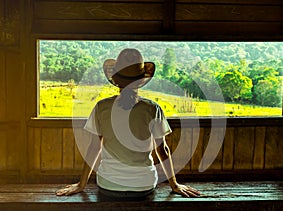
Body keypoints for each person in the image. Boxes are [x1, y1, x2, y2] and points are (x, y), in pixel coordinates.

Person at [56, 48, 200, 199]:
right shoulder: (152, 109)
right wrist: (174, 185)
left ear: (116, 78)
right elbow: (162, 149)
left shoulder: (102, 107)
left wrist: (81, 184)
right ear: (141, 80)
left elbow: (94, 147)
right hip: (143, 185)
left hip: (109, 184)